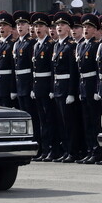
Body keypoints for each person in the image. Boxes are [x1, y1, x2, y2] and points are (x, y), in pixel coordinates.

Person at [51, 11, 81, 163]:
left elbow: (73, 71)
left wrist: (71, 92)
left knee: (69, 122)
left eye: (62, 25)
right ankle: (66, 150)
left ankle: (73, 151)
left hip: (66, 87)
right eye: (57, 25)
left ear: (69, 28)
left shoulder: (71, 46)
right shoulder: (56, 45)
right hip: (58, 87)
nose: (59, 27)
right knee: (61, 123)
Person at [76, 13, 102, 164]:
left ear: (95, 31)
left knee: (95, 120)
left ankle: (97, 150)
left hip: (92, 85)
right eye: (84, 27)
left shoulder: (96, 46)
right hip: (83, 86)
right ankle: (90, 149)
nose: (86, 29)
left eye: (89, 27)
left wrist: (97, 89)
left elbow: (98, 70)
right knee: (87, 121)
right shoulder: (80, 45)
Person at [30, 12, 56, 162]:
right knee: (41, 120)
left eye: (40, 26)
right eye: (35, 26)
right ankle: (43, 149)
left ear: (46, 28)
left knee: (49, 120)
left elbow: (52, 70)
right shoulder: (36, 45)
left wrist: (52, 89)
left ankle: (51, 149)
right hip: (38, 87)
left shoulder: (50, 45)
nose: (37, 28)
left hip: (47, 87)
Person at [0, 12, 17, 107]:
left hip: (7, 84)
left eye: (4, 25)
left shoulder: (12, 44)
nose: (1, 28)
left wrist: (13, 89)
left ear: (11, 28)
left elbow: (13, 67)